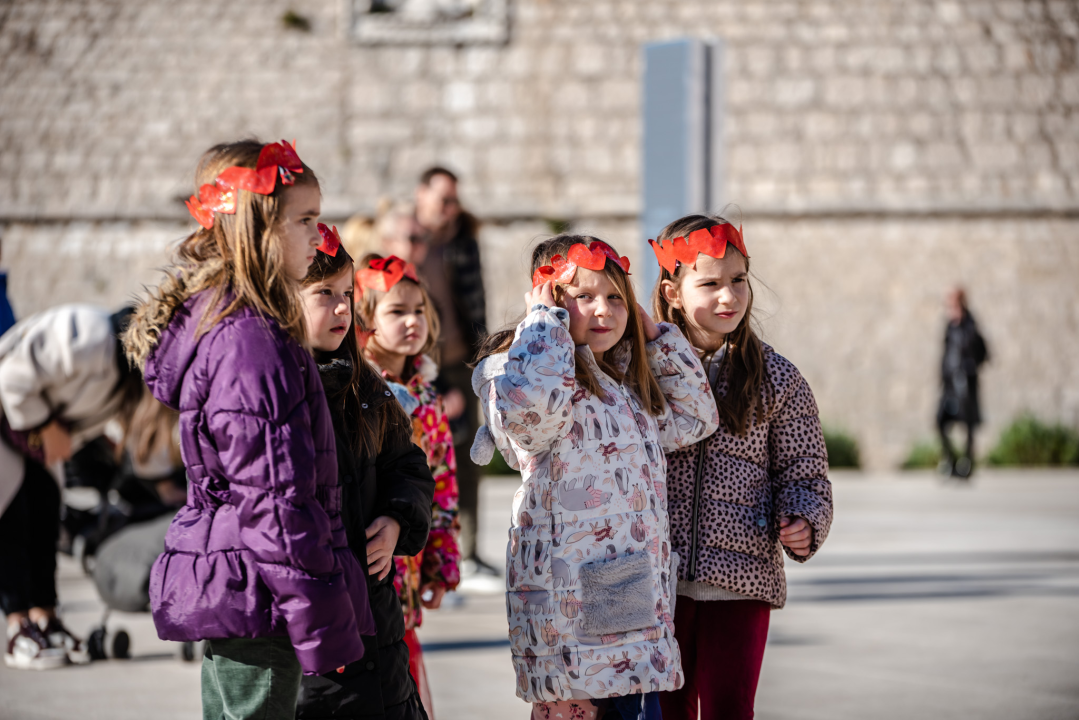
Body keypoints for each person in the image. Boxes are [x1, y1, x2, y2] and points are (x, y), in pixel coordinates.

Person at [123, 139, 375, 720]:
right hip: (261, 592)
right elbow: (274, 498)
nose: (319, 234)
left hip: (249, 580)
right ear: (260, 225)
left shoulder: (247, 326)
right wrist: (318, 616)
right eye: (305, 219)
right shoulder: (249, 343)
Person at [470, 235, 719, 719]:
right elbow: (532, 417)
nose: (604, 310)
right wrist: (544, 327)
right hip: (568, 603)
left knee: (627, 707)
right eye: (584, 297)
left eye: (615, 297)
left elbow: (695, 418)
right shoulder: (519, 374)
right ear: (550, 299)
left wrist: (657, 339)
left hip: (625, 589)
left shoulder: (623, 386)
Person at [649, 215, 834, 720]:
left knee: (730, 709)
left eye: (738, 280)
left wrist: (804, 519)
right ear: (673, 291)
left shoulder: (777, 378)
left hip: (741, 580)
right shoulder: (639, 371)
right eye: (709, 283)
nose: (728, 296)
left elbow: (805, 470)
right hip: (653, 581)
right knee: (661, 713)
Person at [295, 231, 435, 720]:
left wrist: (398, 518)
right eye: (324, 295)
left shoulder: (366, 385)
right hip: (308, 615)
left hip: (376, 613)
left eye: (346, 295)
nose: (341, 309)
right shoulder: (277, 389)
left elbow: (409, 468)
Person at [0, 303, 142, 669]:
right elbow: (12, 377)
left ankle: (46, 618)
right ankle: (18, 627)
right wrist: (47, 427)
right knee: (12, 521)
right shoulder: (87, 331)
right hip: (12, 419)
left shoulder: (125, 380)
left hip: (31, 435)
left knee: (46, 518)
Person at [355, 253, 462, 719]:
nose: (412, 322)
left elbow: (441, 481)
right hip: (366, 558)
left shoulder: (427, 393)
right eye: (396, 312)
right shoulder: (356, 385)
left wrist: (442, 559)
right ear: (366, 318)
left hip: (410, 558)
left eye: (418, 310)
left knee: (402, 669)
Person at [412, 167, 489, 572]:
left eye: (454, 200)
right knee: (424, 454)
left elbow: (478, 302)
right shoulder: (407, 242)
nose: (450, 208)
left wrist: (484, 356)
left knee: (468, 454)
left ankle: (470, 550)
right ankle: (425, 550)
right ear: (420, 195)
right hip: (422, 366)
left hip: (461, 362)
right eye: (443, 199)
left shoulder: (462, 240)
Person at [937, 287, 988, 479]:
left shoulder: (970, 326)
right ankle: (951, 460)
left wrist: (970, 368)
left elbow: (984, 352)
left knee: (968, 425)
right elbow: (946, 353)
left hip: (966, 385)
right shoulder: (950, 326)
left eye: (952, 304)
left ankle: (966, 464)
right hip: (950, 385)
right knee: (940, 421)